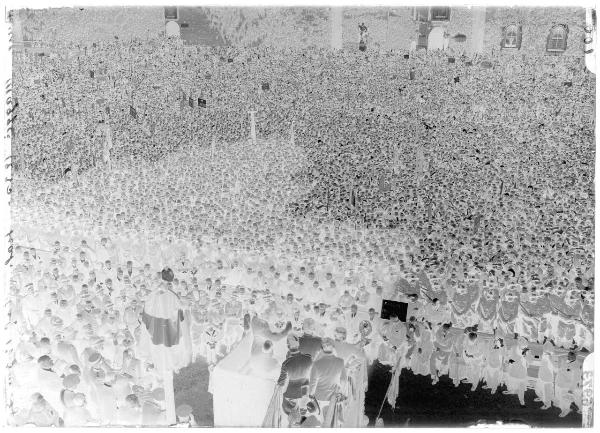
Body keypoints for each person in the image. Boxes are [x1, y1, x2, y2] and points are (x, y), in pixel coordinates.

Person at [277, 334, 313, 417]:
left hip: (291, 393)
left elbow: (281, 382)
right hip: (304, 391)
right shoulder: (308, 359)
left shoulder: (286, 363)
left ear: (288, 346)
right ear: (298, 345)